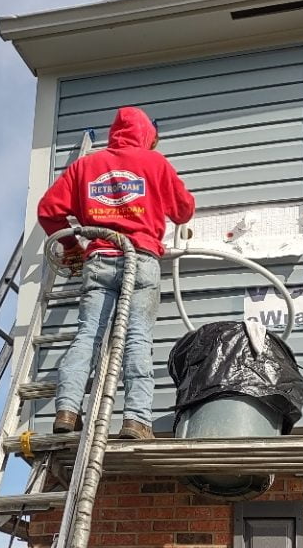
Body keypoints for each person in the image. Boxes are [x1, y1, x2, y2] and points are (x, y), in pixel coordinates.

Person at [37, 106, 195, 440]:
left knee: (88, 335)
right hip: (141, 259)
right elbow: (184, 210)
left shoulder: (85, 166)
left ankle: (67, 409)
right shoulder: (155, 163)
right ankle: (135, 420)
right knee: (137, 337)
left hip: (100, 259)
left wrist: (73, 248)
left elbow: (48, 210)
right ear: (147, 136)